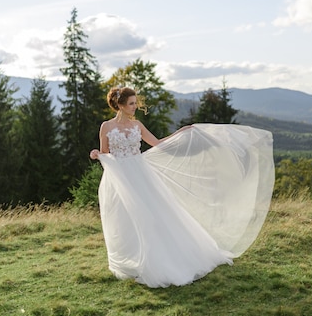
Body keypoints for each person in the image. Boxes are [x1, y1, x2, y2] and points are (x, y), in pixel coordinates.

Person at [90, 86, 275, 288]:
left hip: (141, 175)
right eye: (132, 104)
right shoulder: (106, 127)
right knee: (126, 218)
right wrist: (95, 154)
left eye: (135, 103)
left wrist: (182, 133)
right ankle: (133, 259)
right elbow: (104, 152)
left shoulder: (137, 125)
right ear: (120, 105)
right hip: (120, 178)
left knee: (151, 216)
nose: (135, 107)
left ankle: (159, 260)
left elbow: (157, 143)